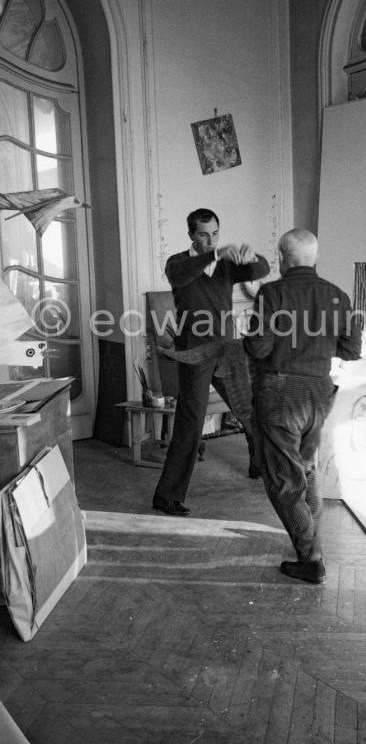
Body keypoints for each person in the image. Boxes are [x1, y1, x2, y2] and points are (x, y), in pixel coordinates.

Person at [243, 228, 361, 584]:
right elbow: (352, 350)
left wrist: (250, 338)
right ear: (315, 258)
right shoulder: (338, 296)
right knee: (305, 469)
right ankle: (311, 545)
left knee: (282, 479)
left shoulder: (272, 292)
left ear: (281, 257)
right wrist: (319, 342)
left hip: (281, 393)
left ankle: (311, 559)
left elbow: (259, 348)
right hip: (320, 394)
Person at [152, 208, 269, 516]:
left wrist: (249, 256)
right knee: (191, 422)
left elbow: (261, 270)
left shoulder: (226, 266)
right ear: (191, 234)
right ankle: (167, 496)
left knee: (250, 409)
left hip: (227, 348)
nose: (210, 239)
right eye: (204, 234)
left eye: (215, 233)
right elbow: (182, 275)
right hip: (194, 351)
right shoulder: (178, 263)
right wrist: (215, 252)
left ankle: (259, 464)